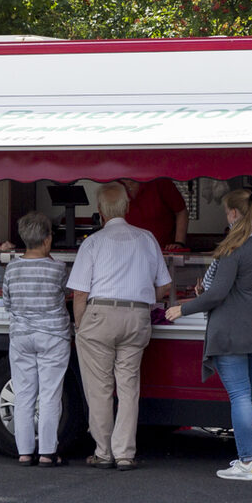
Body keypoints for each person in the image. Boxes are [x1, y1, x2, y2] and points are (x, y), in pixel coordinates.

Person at [157, 187, 252, 481]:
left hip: (232, 332)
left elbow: (217, 293)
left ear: (233, 213)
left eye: (226, 212)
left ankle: (246, 463)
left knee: (240, 396)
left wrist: (184, 309)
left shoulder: (234, 246)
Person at [66, 183, 173, 470]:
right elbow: (164, 288)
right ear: (127, 207)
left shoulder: (93, 242)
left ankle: (103, 452)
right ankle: (125, 452)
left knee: (99, 389)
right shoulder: (147, 239)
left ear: (100, 211)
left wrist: (81, 325)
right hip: (137, 317)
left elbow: (79, 293)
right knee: (128, 387)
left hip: (99, 316)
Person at [1, 212, 72, 467]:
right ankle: (47, 452)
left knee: (24, 394)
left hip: (21, 336)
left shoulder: (12, 269)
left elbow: (7, 304)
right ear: (46, 240)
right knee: (50, 394)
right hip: (53, 335)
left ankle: (24, 452)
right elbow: (68, 296)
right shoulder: (58, 268)